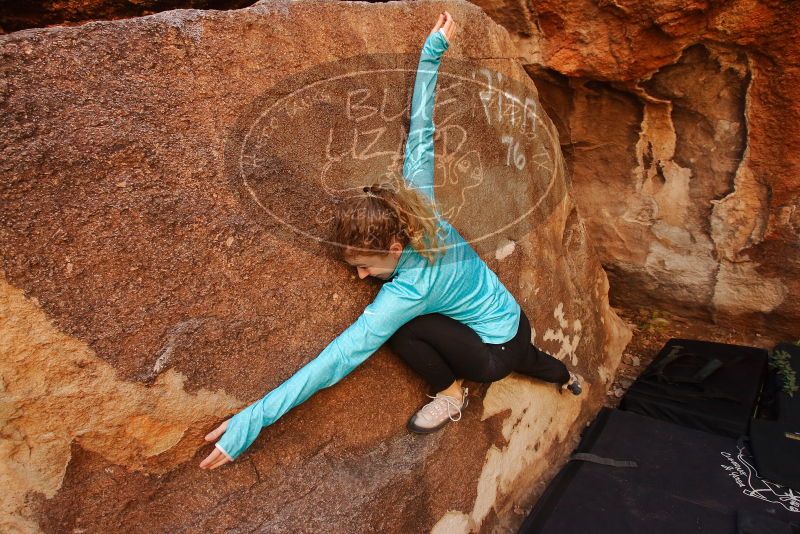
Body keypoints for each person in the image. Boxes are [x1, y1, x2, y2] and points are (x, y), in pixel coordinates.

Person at [199, 12, 580, 470]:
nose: (360, 276)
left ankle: (450, 393)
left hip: (489, 358)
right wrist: (433, 51)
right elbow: (423, 129)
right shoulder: (419, 205)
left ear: (395, 248)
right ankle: (568, 377)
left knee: (405, 332)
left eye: (365, 266)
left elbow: (336, 359)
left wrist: (251, 421)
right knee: (536, 360)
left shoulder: (407, 293)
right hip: (516, 321)